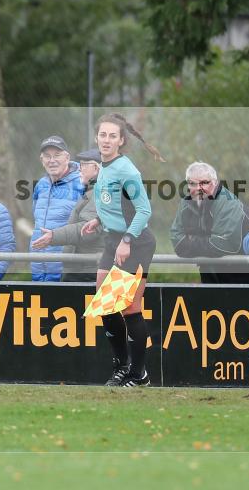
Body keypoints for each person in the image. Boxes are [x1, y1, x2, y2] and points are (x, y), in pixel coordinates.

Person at [81, 113, 162, 387]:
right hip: (113, 240)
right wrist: (98, 220)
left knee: (129, 308)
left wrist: (127, 239)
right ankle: (121, 367)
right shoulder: (104, 166)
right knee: (105, 306)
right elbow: (113, 204)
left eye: (112, 136)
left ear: (121, 140)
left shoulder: (127, 169)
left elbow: (144, 210)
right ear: (96, 137)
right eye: (102, 135)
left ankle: (139, 375)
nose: (106, 140)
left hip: (136, 243)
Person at [171, 162, 249, 284]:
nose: (198, 188)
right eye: (192, 183)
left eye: (204, 183)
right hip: (210, 272)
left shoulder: (228, 202)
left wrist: (191, 241)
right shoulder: (186, 203)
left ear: (215, 182)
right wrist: (206, 241)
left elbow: (224, 245)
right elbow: (177, 241)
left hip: (248, 274)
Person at [31, 148, 105, 282]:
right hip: (83, 268)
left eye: (83, 165)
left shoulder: (99, 194)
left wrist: (54, 236)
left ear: (96, 168)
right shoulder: (92, 192)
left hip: (87, 271)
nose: (79, 169)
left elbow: (88, 229)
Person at [29, 135, 84, 281]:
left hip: (67, 268)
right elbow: (36, 216)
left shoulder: (83, 183)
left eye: (57, 155)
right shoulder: (41, 184)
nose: (52, 160)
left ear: (67, 157)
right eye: (47, 156)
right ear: (42, 160)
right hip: (38, 264)